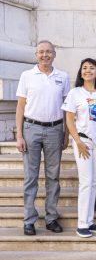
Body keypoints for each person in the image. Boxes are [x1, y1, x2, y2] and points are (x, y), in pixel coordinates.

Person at [16, 40, 70, 236]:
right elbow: (20, 107)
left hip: (55, 130)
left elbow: (66, 109)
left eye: (49, 52)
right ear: (36, 55)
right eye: (41, 52)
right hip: (31, 128)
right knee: (30, 177)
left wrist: (66, 134)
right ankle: (29, 219)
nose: (45, 55)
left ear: (54, 54)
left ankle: (51, 218)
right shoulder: (27, 76)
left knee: (53, 177)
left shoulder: (62, 77)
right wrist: (19, 135)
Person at [62, 58, 96, 238]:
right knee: (86, 182)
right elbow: (69, 119)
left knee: (93, 182)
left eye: (91, 68)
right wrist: (77, 141)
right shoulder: (75, 93)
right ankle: (81, 224)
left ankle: (90, 221)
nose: (88, 70)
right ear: (81, 72)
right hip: (84, 141)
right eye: (84, 68)